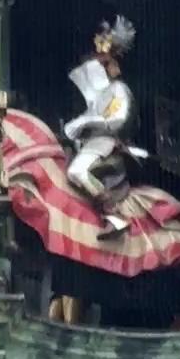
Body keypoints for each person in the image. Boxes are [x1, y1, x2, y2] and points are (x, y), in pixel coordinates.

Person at [63, 16, 148, 238]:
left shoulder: (118, 90)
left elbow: (118, 120)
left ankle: (113, 215)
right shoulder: (96, 100)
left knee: (76, 172)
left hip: (105, 144)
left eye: (104, 63)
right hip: (91, 144)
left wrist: (87, 123)